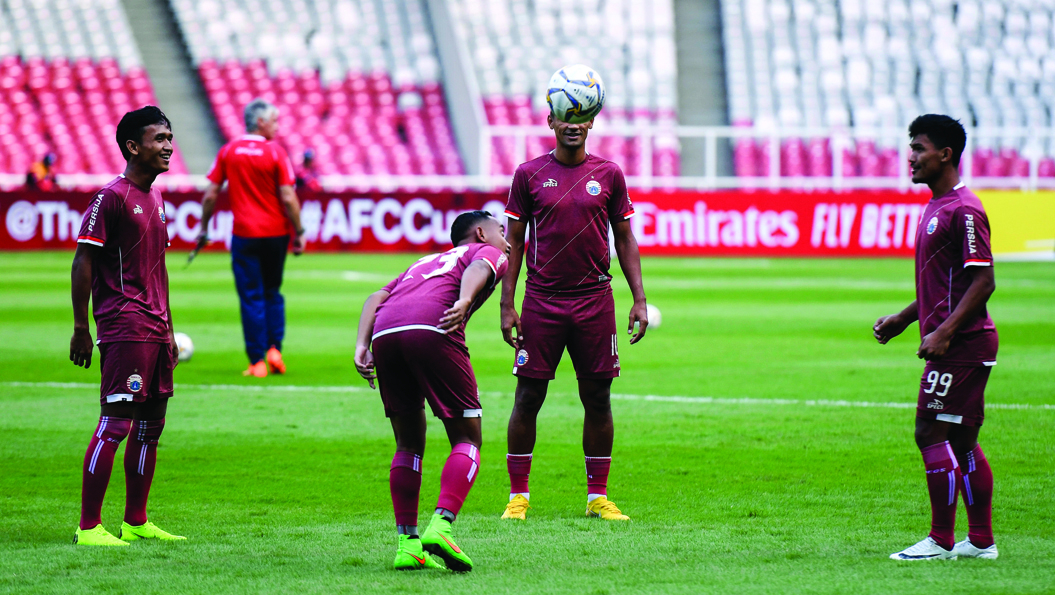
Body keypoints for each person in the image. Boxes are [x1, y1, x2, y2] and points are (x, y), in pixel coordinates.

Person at [499, 106, 648, 522]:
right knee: (528, 397)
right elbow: (514, 242)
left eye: (580, 118)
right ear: (551, 122)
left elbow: (625, 238)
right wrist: (507, 304)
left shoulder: (610, 174)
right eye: (564, 117)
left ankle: (597, 498)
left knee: (598, 398)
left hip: (595, 301)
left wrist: (638, 298)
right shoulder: (527, 175)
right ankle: (518, 497)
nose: (572, 125)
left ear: (591, 124)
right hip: (542, 301)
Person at [354, 211, 511, 571]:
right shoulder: (486, 252)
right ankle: (441, 526)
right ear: (480, 233)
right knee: (467, 438)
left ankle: (407, 545)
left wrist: (361, 345)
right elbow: (481, 267)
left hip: (385, 335)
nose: (508, 240)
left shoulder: (425, 261)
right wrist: (465, 300)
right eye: (501, 232)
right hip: (433, 328)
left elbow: (376, 296)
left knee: (408, 443)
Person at [875, 114, 999, 561]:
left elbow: (983, 281)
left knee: (929, 430)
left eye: (919, 148)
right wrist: (905, 319)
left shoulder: (963, 210)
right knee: (962, 440)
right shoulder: (937, 206)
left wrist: (944, 332)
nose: (910, 156)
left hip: (963, 345)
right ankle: (980, 542)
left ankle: (940, 540)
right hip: (963, 342)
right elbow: (946, 284)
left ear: (945, 154)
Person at [70, 106, 185, 546]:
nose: (168, 145)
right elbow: (84, 260)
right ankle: (89, 527)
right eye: (159, 138)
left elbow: (159, 268)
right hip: (124, 323)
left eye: (170, 137)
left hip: (155, 327)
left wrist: (170, 329)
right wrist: (82, 326)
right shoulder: (111, 197)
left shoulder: (156, 198)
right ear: (133, 146)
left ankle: (136, 521)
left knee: (150, 427)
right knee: (116, 423)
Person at [196, 98, 306, 377]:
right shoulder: (276, 152)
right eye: (275, 121)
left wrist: (204, 228)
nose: (278, 127)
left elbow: (210, 193)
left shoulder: (229, 150)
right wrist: (299, 231)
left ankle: (257, 361)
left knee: (251, 296)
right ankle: (274, 349)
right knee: (272, 292)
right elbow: (288, 196)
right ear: (260, 122)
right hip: (276, 234)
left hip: (244, 234)